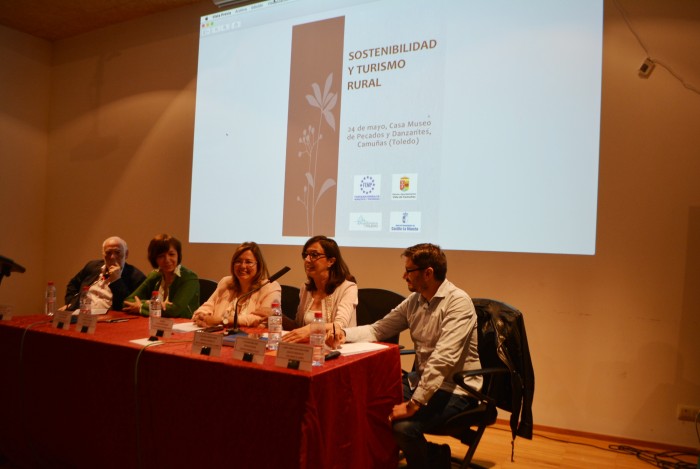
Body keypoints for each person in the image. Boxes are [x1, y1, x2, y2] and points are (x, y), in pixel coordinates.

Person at [329, 243, 481, 469]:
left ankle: (429, 459)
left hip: (456, 390)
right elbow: (377, 329)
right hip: (423, 383)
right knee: (366, 398)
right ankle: (412, 457)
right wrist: (342, 334)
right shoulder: (415, 301)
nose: (404, 276)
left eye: (409, 271)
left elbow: (443, 359)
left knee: (404, 428)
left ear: (428, 273)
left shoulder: (458, 303)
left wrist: (414, 403)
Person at [281, 235, 357, 343]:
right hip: (310, 348)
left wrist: (311, 328)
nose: (307, 260)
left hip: (339, 349)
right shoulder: (306, 288)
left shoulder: (348, 288)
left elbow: (340, 325)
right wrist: (278, 316)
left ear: (331, 261)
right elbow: (298, 327)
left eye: (314, 255)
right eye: (306, 255)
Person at [191, 242, 281, 327]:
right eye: (238, 261)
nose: (242, 266)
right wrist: (201, 316)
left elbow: (260, 318)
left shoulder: (270, 286)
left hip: (251, 340)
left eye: (248, 262)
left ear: (259, 265)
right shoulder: (226, 282)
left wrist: (222, 320)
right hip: (219, 337)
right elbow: (207, 306)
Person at [123, 234, 199, 319]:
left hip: (183, 325)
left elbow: (174, 310)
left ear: (178, 255)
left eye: (171, 254)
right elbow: (128, 301)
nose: (167, 260)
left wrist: (141, 306)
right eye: (161, 256)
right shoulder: (155, 275)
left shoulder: (189, 277)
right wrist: (151, 303)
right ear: (154, 258)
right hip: (158, 323)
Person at [62, 236, 146, 311]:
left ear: (126, 254)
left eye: (117, 252)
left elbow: (125, 306)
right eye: (108, 253)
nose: (112, 257)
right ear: (103, 254)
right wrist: (70, 304)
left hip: (109, 320)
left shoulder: (136, 277)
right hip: (82, 314)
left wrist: (116, 280)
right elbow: (72, 284)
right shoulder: (92, 266)